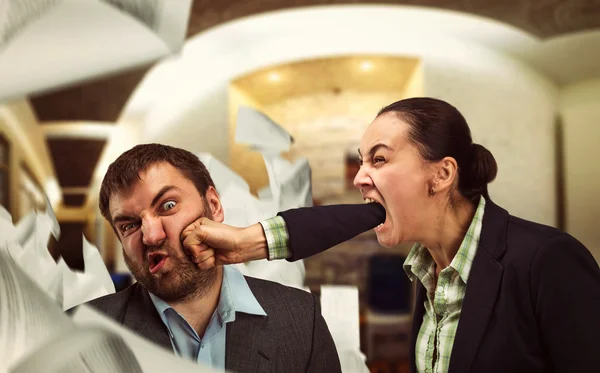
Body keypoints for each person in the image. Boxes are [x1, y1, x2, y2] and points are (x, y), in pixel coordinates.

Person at [181, 97, 600, 373]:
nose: (361, 177)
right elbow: (321, 224)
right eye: (363, 161)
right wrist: (243, 241)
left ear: (442, 174)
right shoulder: (428, 273)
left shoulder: (548, 261)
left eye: (379, 159)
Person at [82, 144, 341, 373]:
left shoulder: (301, 319)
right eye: (129, 226)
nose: (151, 236)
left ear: (214, 205)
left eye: (168, 205)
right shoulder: (79, 332)